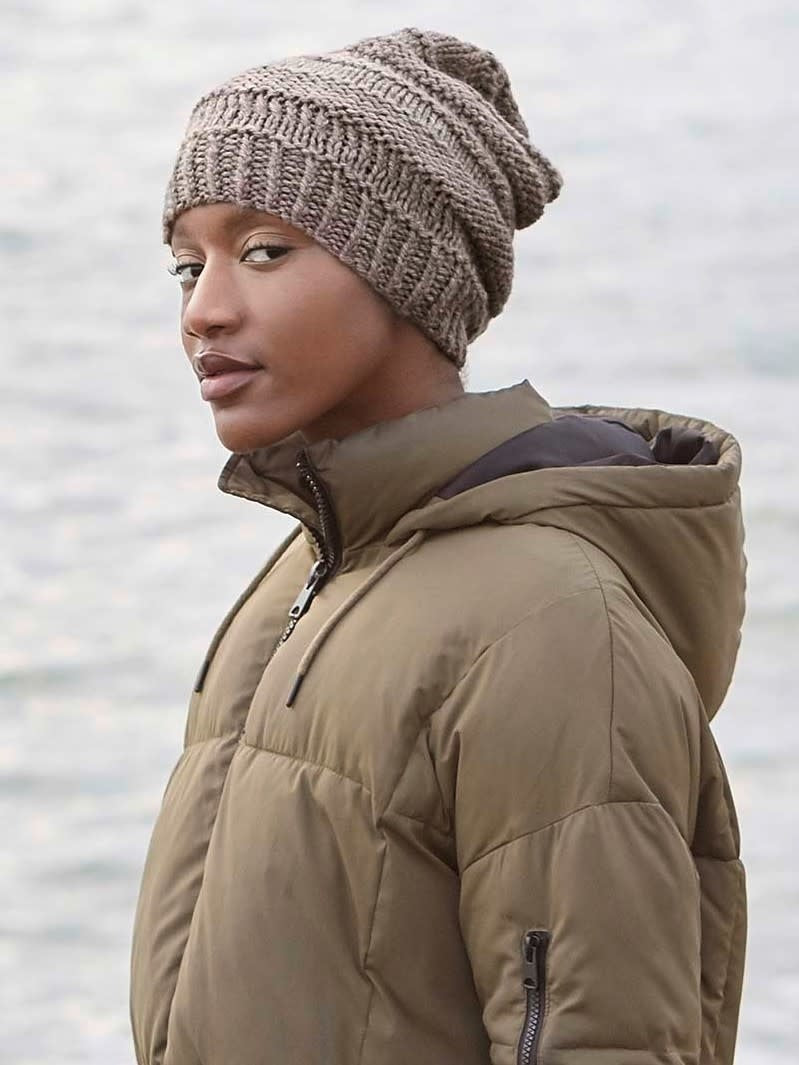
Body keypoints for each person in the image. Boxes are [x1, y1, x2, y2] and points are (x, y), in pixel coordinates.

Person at [129, 26, 747, 1065]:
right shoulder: (315, 568)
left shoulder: (549, 623)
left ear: (405, 270)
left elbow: (603, 1036)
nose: (205, 310)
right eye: (187, 266)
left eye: (265, 251)